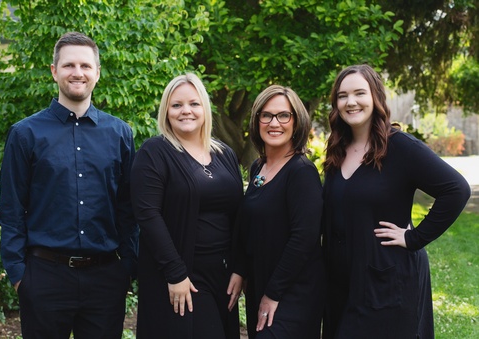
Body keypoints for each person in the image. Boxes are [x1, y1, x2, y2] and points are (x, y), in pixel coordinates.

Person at [0, 32, 138, 339]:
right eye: (69, 65)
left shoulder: (120, 133)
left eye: (86, 66)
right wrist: (20, 275)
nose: (78, 72)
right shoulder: (25, 134)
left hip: (105, 278)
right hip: (44, 277)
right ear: (54, 71)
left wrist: (127, 266)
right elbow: (11, 209)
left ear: (97, 73)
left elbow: (129, 207)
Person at [321, 64, 471, 338]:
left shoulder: (400, 147)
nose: (350, 102)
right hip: (341, 283)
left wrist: (414, 238)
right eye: (342, 95)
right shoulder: (336, 150)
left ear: (376, 97)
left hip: (387, 282)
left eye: (359, 93)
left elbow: (456, 190)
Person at [130, 73, 244, 339]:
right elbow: (148, 215)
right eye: (177, 105)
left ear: (204, 107)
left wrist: (239, 268)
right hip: (182, 275)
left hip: (222, 274)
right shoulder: (154, 152)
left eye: (194, 103)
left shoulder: (224, 154)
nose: (186, 111)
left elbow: (238, 215)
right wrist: (176, 273)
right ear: (166, 111)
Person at [237, 85, 325, 338]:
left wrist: (273, 293)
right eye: (266, 115)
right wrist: (240, 269)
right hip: (261, 281)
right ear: (256, 121)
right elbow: (249, 225)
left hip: (293, 290)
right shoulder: (258, 167)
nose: (274, 123)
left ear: (297, 122)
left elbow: (304, 238)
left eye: (283, 115)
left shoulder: (302, 172)